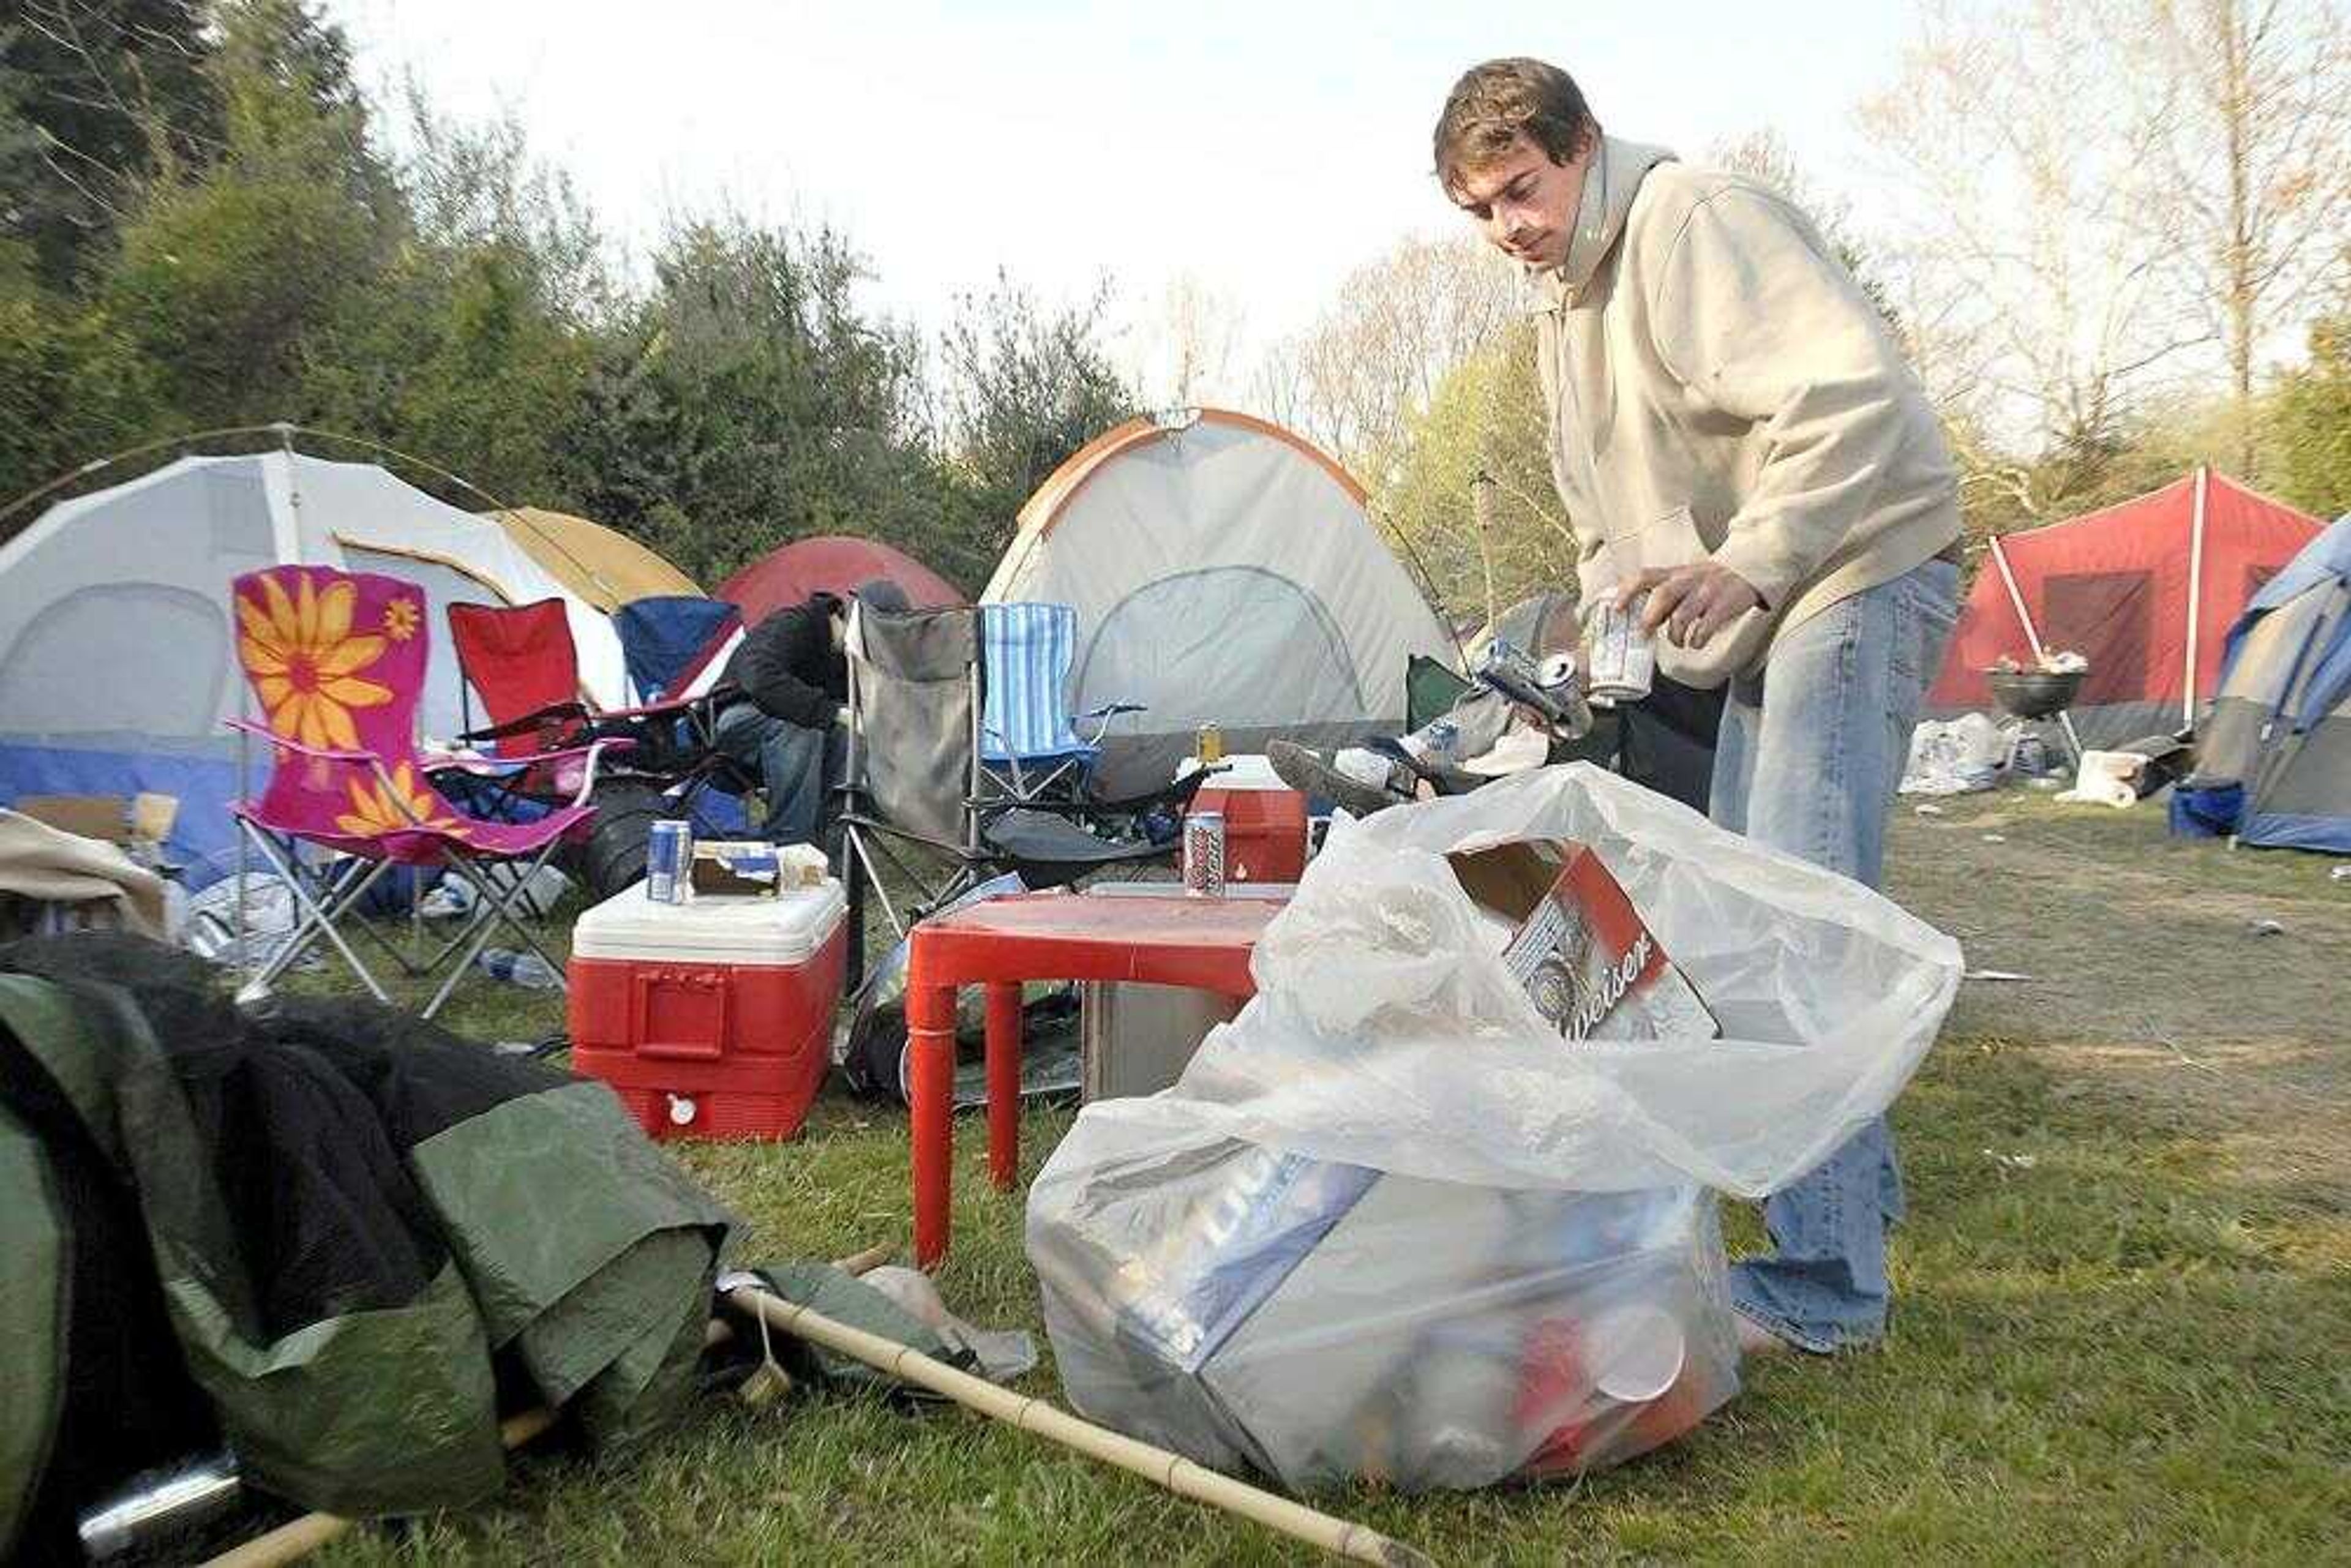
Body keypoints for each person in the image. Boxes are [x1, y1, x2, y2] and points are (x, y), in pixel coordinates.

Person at [1432, 58, 1964, 1356]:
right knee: (1753, 908)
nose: (1509, 225)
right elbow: (1600, 516)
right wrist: (1596, 636)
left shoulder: (1690, 221)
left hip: (1851, 566)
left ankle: (1830, 1282)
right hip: (1758, 612)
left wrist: (1753, 557)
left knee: (1799, 918)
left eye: (1522, 189)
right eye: (1482, 209)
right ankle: (1856, 1204)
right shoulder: (1563, 305)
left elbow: (1848, 395)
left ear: (1582, 150)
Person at [712, 579, 912, 846]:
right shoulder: (795, 624)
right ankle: (791, 847)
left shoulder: (850, 660)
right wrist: (834, 713)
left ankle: (837, 854)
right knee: (805, 729)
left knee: (848, 737)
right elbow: (758, 677)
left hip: (794, 738)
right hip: (734, 720)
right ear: (856, 619)